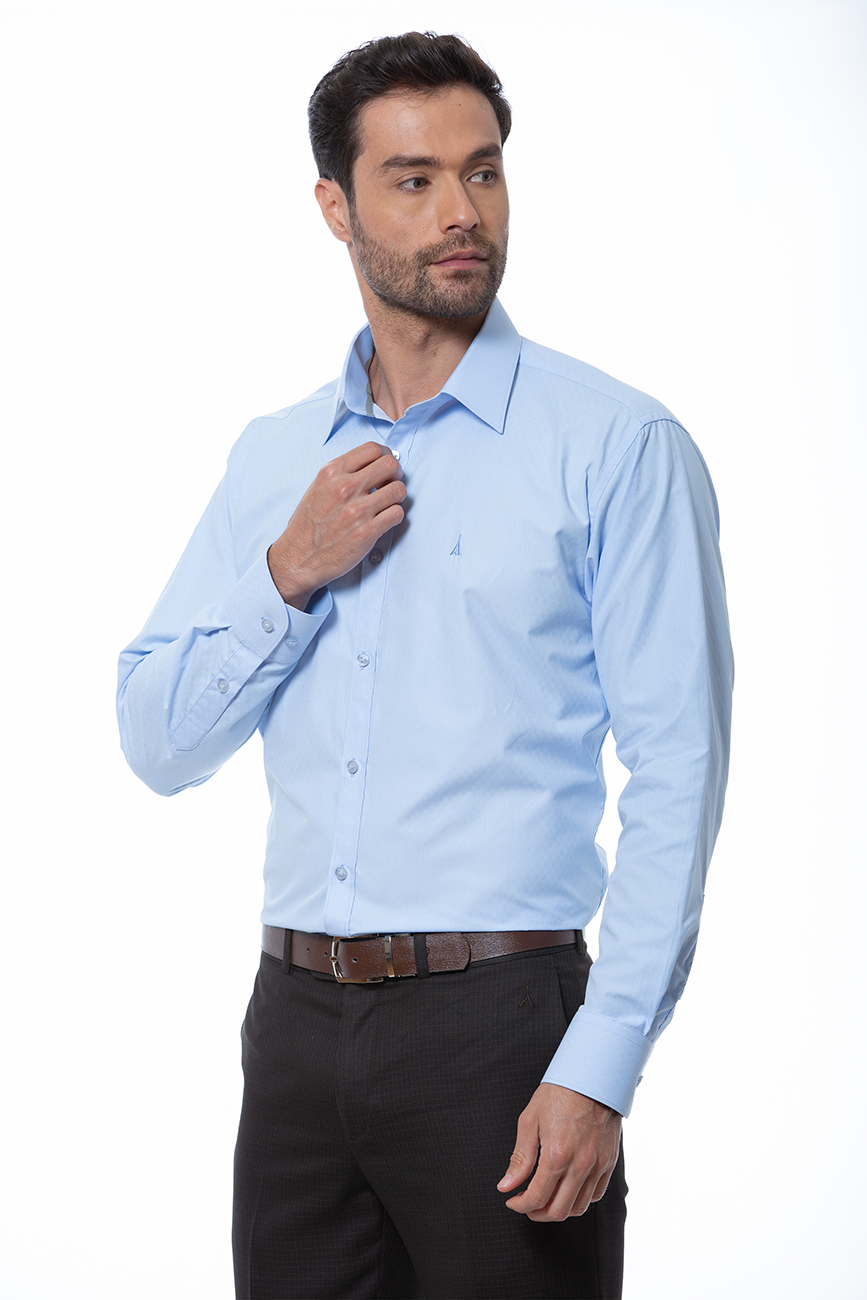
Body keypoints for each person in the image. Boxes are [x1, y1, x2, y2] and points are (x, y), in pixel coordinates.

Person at [117, 30, 733, 1300]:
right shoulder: (274, 458)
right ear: (335, 208)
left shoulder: (617, 444)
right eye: (414, 179)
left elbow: (680, 766)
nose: (463, 211)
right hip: (293, 1030)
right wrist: (286, 573)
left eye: (483, 170)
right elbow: (155, 738)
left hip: (501, 1027)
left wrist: (600, 1064)